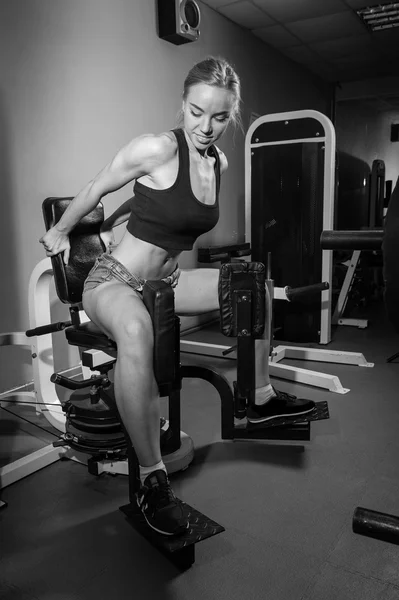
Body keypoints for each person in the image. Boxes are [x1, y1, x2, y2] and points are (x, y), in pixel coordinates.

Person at [39, 56, 315, 537]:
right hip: (115, 280)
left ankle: (260, 397)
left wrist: (122, 218)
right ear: (182, 103)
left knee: (255, 282)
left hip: (169, 282)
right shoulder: (156, 147)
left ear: (232, 114)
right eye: (196, 112)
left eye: (220, 116)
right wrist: (63, 230)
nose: (206, 126)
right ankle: (151, 478)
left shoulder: (219, 162)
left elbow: (156, 204)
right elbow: (99, 184)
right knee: (135, 329)